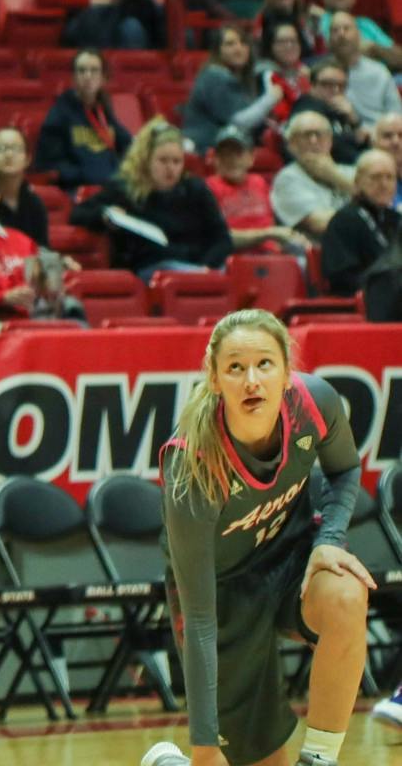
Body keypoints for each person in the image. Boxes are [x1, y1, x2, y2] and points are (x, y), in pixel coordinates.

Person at [148, 311, 368, 766]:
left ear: (287, 371)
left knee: (347, 591)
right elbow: (200, 619)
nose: (252, 380)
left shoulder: (314, 402)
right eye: (235, 367)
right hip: (223, 594)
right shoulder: (191, 464)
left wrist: (330, 537)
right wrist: (205, 745)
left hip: (291, 562)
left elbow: (345, 469)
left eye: (265, 364)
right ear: (214, 378)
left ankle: (321, 758)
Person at [72, 120, 231, 280]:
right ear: (146, 160)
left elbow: (222, 239)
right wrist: (105, 215)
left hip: (197, 266)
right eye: (163, 161)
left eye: (176, 161)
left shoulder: (196, 189)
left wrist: (207, 267)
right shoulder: (125, 189)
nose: (170, 168)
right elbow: (78, 214)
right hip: (150, 268)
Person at [0, 162, 80, 320]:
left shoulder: (21, 239)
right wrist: (1, 297)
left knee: (71, 309)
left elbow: (39, 282)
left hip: (33, 316)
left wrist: (58, 269)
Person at [34, 48, 132, 188]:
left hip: (110, 186)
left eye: (94, 70)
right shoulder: (59, 114)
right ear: (73, 78)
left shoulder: (104, 112)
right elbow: (49, 163)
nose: (88, 75)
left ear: (103, 78)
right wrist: (86, 174)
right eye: (81, 70)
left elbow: (130, 146)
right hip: (78, 189)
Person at [183, 26, 285, 152]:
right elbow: (239, 122)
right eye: (230, 44)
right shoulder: (215, 75)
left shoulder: (243, 78)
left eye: (243, 43)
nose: (238, 49)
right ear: (218, 50)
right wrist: (270, 98)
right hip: (206, 148)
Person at [203, 129, 305, 255]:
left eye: (238, 153)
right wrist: (268, 234)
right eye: (225, 154)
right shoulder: (207, 188)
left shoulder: (259, 182)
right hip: (232, 258)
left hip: (271, 255)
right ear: (215, 159)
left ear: (251, 158)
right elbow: (218, 237)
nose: (231, 159)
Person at [319, 148, 402, 300]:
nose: (383, 184)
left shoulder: (397, 220)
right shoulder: (344, 220)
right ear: (357, 182)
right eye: (375, 177)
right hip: (363, 306)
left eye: (390, 177)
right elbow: (342, 278)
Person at [267, 111, 353, 238]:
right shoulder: (287, 179)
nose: (313, 140)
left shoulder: (351, 171)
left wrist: (337, 178)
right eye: (306, 135)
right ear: (291, 144)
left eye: (319, 134)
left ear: (330, 140)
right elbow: (321, 224)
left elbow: (385, 208)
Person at [318, 0, 402, 73]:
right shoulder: (320, 21)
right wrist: (380, 52)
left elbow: (399, 56)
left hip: (386, 74)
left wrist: (374, 48)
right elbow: (339, 53)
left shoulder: (366, 24)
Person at [323, 9, 398, 125]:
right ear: (328, 39)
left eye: (346, 28)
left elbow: (397, 116)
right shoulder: (321, 73)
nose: (341, 34)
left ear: (359, 35)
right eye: (335, 30)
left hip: (376, 137)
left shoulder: (379, 72)